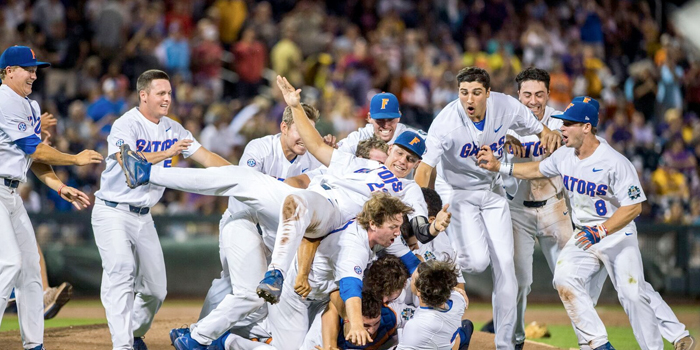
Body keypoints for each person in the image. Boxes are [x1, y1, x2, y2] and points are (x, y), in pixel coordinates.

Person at [476, 97, 695, 350]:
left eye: (569, 124)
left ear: (587, 127)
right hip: (583, 234)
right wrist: (499, 166)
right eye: (563, 123)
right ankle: (599, 344)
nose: (562, 129)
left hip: (616, 234)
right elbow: (536, 169)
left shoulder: (615, 162)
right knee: (564, 279)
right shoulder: (565, 156)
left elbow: (634, 206)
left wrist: (602, 229)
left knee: (633, 294)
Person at [414, 67, 560, 350]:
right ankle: (438, 260)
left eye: (476, 92)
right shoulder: (446, 121)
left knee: (507, 267)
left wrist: (548, 133)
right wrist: (425, 213)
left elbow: (538, 127)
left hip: (492, 191)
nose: (469, 98)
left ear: (488, 94)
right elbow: (424, 170)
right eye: (464, 92)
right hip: (457, 192)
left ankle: (505, 345)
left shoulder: (506, 106)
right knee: (477, 261)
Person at [91, 69, 230, 350]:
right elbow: (128, 162)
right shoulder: (125, 124)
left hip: (144, 216)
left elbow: (206, 157)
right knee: (120, 270)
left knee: (155, 290)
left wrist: (239, 175)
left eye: (169, 93)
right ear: (144, 95)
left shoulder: (174, 129)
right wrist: (168, 153)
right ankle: (122, 346)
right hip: (112, 211)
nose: (167, 98)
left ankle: (133, 333)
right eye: (161, 93)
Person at [182, 103, 325, 348]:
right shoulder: (260, 147)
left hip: (276, 232)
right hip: (243, 223)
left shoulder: (312, 157)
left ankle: (202, 334)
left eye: (310, 130)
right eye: (300, 129)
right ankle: (200, 335)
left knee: (254, 293)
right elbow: (246, 185)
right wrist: (288, 184)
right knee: (242, 289)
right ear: (284, 127)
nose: (305, 137)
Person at [0, 45, 100, 350]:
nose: (33, 74)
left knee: (30, 267)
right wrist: (75, 158)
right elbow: (35, 148)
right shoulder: (3, 98)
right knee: (10, 263)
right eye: (27, 68)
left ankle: (34, 344)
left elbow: (37, 160)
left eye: (35, 69)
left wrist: (60, 187)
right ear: (8, 72)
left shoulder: (29, 106)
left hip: (11, 193)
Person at [396, 260, 467, 350]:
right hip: (445, 341)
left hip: (431, 341)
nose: (410, 280)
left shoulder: (416, 326)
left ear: (419, 290)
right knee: (466, 326)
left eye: (412, 279)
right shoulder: (459, 300)